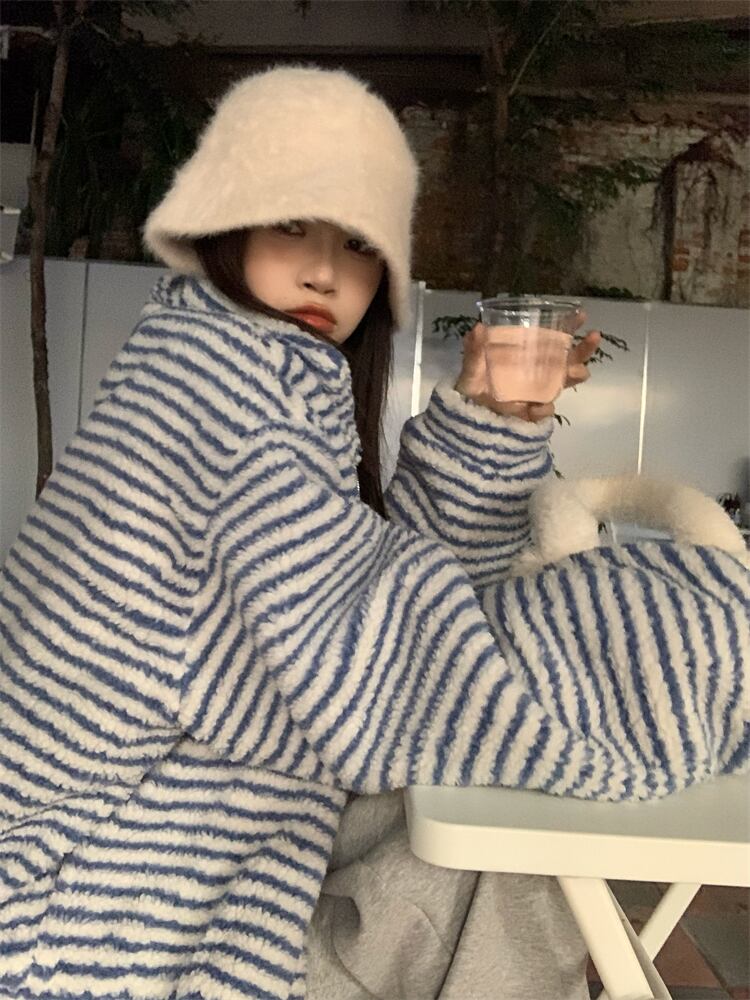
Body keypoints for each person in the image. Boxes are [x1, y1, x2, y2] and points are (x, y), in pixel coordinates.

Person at [0, 65, 746, 1000]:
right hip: (85, 912)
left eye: (359, 243)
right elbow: (385, 659)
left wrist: (488, 424)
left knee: (481, 852)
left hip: (174, 859)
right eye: (291, 224)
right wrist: (696, 647)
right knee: (495, 868)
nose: (326, 270)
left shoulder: (248, 379)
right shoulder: (213, 403)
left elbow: (367, 604)